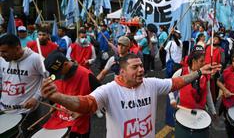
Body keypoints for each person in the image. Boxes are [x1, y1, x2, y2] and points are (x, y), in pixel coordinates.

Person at [41, 53, 221, 138]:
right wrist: (58, 97)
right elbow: (86, 104)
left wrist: (199, 73)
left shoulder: (150, 84)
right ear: (122, 72)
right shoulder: (109, 90)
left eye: (141, 66)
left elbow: (176, 83)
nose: (141, 70)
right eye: (135, 67)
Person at [42, 51, 100, 138]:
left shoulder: (86, 76)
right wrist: (54, 105)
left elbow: (101, 100)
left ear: (65, 64)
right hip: (60, 122)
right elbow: (56, 97)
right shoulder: (55, 76)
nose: (58, 77)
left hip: (79, 125)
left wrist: (82, 113)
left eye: (59, 72)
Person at [0, 34, 46, 137]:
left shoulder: (36, 59)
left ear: (17, 48)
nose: (1, 54)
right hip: (5, 110)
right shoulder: (2, 60)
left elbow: (49, 79)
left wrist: (36, 98)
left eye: (4, 51)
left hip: (27, 113)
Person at [169, 46, 216, 117]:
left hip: (199, 112)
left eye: (204, 60)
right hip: (183, 111)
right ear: (193, 61)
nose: (204, 63)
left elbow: (208, 93)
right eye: (201, 61)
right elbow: (169, 86)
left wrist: (213, 111)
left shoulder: (205, 75)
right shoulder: (181, 72)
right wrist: (172, 99)